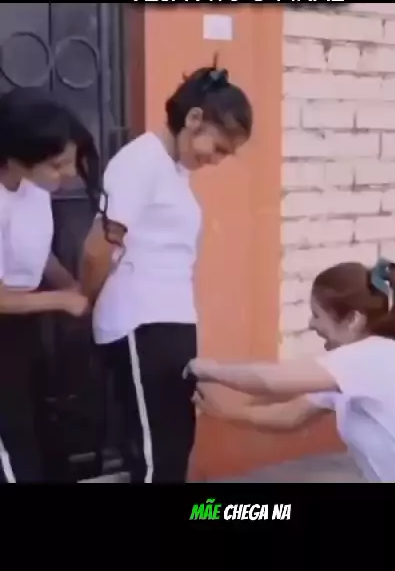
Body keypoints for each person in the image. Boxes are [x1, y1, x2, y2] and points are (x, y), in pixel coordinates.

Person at [80, 62, 253, 483]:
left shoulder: (173, 170)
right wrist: (87, 301)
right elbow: (96, 249)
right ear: (194, 119)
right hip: (140, 323)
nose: (217, 160)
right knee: (156, 457)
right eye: (219, 148)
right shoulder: (140, 162)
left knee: (174, 448)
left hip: (170, 324)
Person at [187, 258, 395, 484]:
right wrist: (226, 412)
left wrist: (211, 370)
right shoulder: (354, 368)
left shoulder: (376, 356)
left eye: (317, 315)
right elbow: (292, 415)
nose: (311, 324)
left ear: (353, 320)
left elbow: (272, 382)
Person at [0, 87, 104, 483]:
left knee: (42, 429)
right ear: (15, 157)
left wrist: (73, 285)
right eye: (57, 165)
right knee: (12, 442)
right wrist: (62, 300)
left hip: (26, 329)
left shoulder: (33, 189)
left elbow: (36, 255)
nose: (69, 173)